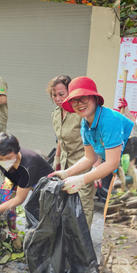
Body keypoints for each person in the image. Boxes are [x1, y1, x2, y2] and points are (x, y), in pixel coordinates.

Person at [48, 76, 134, 199]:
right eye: (74, 100)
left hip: (132, 164)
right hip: (117, 169)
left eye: (84, 97)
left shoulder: (109, 120)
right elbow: (90, 158)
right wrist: (66, 173)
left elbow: (112, 163)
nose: (80, 104)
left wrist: (81, 180)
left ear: (94, 98)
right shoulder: (85, 124)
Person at [0, 133, 53, 230]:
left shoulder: (28, 164)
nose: (4, 161)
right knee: (2, 202)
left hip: (41, 182)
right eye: (0, 158)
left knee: (40, 214)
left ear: (17, 152)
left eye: (9, 158)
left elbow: (19, 199)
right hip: (14, 178)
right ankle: (9, 233)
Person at [46, 75, 99, 228]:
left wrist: (97, 166)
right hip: (65, 164)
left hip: (84, 163)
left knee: (83, 206)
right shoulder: (55, 114)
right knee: (67, 203)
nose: (57, 98)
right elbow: (60, 140)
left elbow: (95, 138)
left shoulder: (80, 113)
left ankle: (83, 243)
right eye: (54, 95)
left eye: (61, 94)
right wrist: (56, 159)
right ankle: (70, 238)